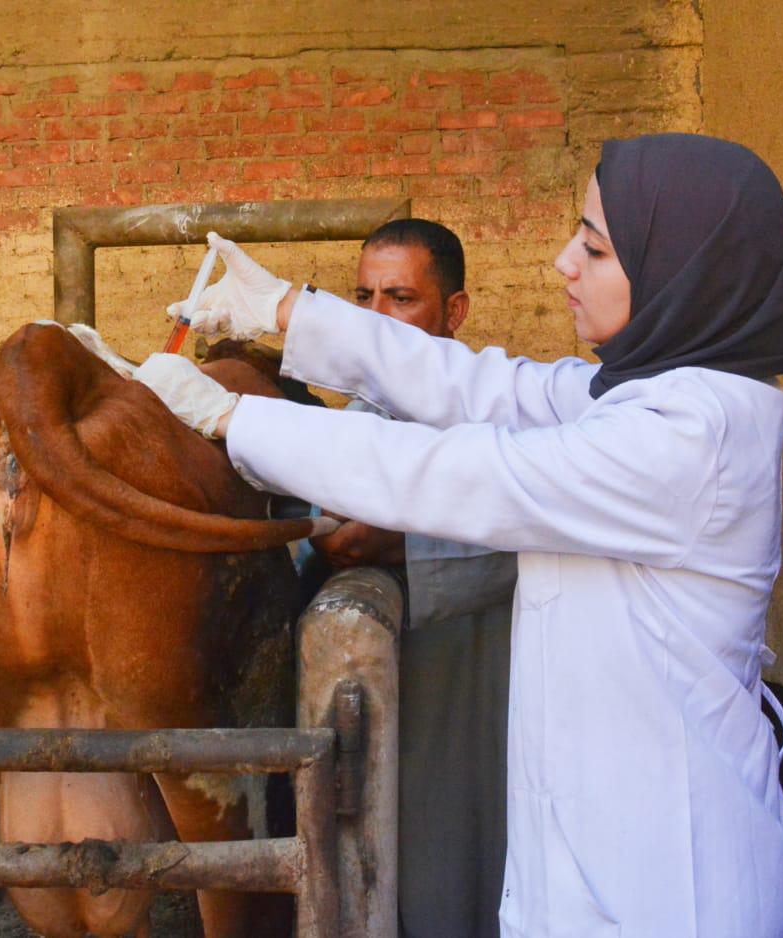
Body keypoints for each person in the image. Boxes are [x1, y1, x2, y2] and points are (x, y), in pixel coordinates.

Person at [137, 133, 783, 937]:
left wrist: (234, 417)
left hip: (673, 881)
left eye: (594, 249)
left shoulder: (690, 438)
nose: (564, 262)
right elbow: (484, 386)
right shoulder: (645, 394)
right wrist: (289, 309)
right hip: (599, 851)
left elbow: (464, 471)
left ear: (681, 272)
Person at [308, 218, 514, 938]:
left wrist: (398, 549)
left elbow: (521, 535)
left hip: (470, 686)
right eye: (362, 297)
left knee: (464, 860)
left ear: (452, 313)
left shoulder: (496, 419)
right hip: (366, 712)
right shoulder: (347, 422)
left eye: (400, 298)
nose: (374, 320)